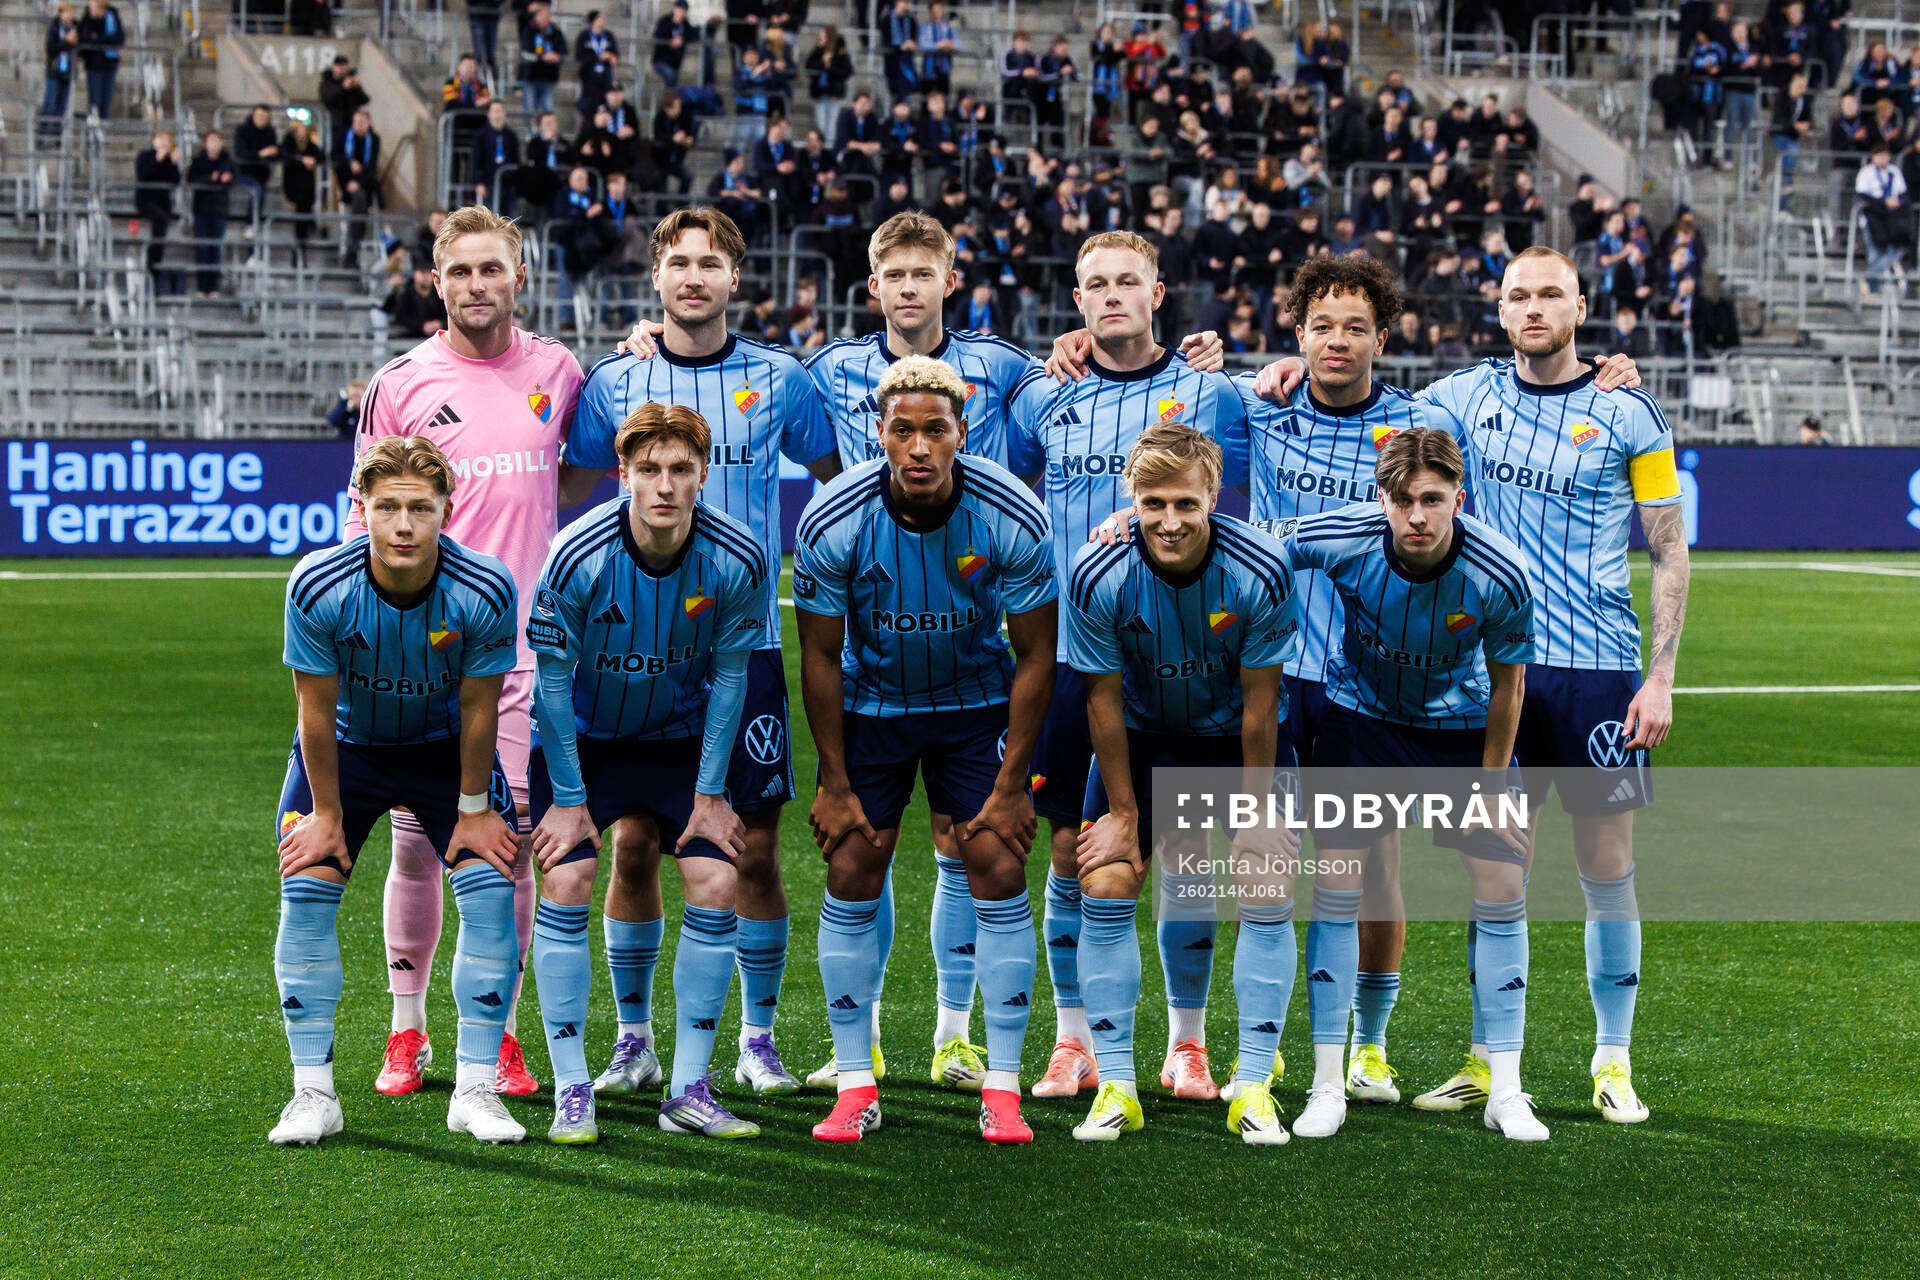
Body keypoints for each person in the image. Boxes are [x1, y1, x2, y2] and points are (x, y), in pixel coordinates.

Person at [566, 207, 840, 1099]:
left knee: (750, 849)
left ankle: (757, 1039)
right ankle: (633, 1040)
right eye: (678, 262)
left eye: (711, 263)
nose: (694, 277)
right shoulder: (615, 379)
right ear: (656, 278)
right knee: (636, 844)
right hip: (634, 651)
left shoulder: (782, 378)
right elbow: (568, 483)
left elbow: (840, 475)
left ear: (735, 278)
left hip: (745, 646)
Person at [352, 206, 596, 1102]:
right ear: (437, 281)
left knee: (512, 845)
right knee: (418, 850)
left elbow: (578, 466)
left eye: (492, 270)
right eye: (460, 272)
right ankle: (407, 1029)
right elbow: (366, 518)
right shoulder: (403, 381)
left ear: (518, 279)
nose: (476, 286)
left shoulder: (557, 371)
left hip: (527, 658)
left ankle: (493, 1033)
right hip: (427, 664)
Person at [1005, 231, 1248, 1101]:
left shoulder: (1208, 392)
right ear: (1077, 302)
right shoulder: (1044, 395)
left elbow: (1287, 415)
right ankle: (1075, 1042)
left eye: (1128, 283)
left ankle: (1187, 1045)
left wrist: (1269, 361)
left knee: (1182, 855)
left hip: (1183, 662)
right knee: (1070, 853)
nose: (1112, 296)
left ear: (1159, 293)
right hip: (1076, 661)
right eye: (1095, 284)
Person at [793, 354, 1057, 1144]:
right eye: (901, 430)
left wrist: (1012, 785)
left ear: (961, 434)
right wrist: (833, 781)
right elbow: (816, 657)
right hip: (874, 707)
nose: (917, 447)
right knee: (849, 862)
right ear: (878, 434)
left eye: (934, 430)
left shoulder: (1012, 512)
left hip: (974, 708)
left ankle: (1002, 1088)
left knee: (999, 862)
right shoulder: (832, 518)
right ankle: (853, 1083)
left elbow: (1037, 655)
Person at [1279, 426, 1543, 1140]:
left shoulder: (1502, 573)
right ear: (1381, 498)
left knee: (1501, 881)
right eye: (1402, 500)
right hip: (1361, 723)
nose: (1417, 515)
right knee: (1339, 885)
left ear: (1460, 497)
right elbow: (1257, 540)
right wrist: (1130, 525)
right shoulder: (1346, 537)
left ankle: (1507, 1090)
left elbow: (1510, 684)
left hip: (1458, 731)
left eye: (1432, 499)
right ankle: (1329, 1081)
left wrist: (1491, 788)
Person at [268, 435, 524, 1146]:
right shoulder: (319, 584)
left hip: (445, 753)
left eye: (420, 507)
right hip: (348, 752)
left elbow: (481, 710)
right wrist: (325, 815)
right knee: (308, 885)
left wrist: (473, 812)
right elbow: (313, 713)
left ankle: (476, 1089)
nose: (404, 525)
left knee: (492, 885)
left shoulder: (485, 587)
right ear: (362, 509)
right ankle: (313, 1094)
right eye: (387, 508)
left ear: (448, 508)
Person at [526, 404, 769, 1144]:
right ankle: (575, 1086)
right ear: (623, 475)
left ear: (703, 475)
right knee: (567, 876)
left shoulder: (740, 557)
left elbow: (731, 679)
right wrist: (569, 802)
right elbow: (552, 687)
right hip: (586, 742)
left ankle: (690, 1087)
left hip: (678, 741)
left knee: (718, 878)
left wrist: (708, 794)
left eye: (681, 470)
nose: (664, 485)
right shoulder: (576, 555)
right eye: (649, 470)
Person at [1064, 424, 1300, 1143]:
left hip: (1236, 742)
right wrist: (1127, 814)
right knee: (1105, 879)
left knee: (1265, 880)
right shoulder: (1097, 572)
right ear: (1131, 499)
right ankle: (1115, 1085)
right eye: (1153, 503)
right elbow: (1101, 701)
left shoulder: (1260, 569)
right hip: (1141, 738)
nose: (1169, 522)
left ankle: (1252, 1084)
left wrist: (1258, 815)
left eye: (1186, 505)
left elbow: (1262, 705)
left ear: (1214, 499)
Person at [186, 130, 234, 298]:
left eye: (217, 140)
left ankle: (213, 287)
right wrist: (211, 179)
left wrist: (228, 179)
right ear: (205, 143)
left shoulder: (227, 161)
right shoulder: (198, 161)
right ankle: (202, 286)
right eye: (211, 140)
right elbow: (191, 181)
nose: (214, 144)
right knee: (202, 248)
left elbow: (234, 178)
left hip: (219, 210)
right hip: (201, 210)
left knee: (216, 248)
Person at [134, 129, 181, 294]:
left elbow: (175, 181)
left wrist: (174, 164)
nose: (163, 143)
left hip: (163, 203)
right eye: (160, 138)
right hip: (146, 201)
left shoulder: (170, 160)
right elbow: (143, 176)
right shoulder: (144, 156)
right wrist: (157, 161)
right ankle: (150, 262)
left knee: (161, 228)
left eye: (167, 139)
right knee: (160, 222)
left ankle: (154, 266)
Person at [333, 108, 382, 263]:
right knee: (359, 199)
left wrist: (359, 182)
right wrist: (349, 164)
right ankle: (353, 245)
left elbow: (372, 167)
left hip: (364, 182)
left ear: (368, 123)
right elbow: (334, 157)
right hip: (345, 181)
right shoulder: (343, 136)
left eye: (362, 122)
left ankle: (353, 246)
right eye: (356, 122)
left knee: (361, 199)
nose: (359, 125)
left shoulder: (373, 140)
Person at [280, 118, 322, 265]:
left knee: (304, 210)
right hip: (293, 186)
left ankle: (300, 247)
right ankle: (299, 247)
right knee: (301, 212)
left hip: (307, 189)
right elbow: (285, 155)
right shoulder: (288, 143)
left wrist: (313, 160)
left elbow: (320, 155)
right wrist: (302, 160)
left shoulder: (310, 145)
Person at [233, 105, 280, 230]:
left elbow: (273, 153)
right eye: (259, 116)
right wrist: (260, 153)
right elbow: (240, 152)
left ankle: (253, 224)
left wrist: (273, 153)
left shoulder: (270, 132)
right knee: (256, 191)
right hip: (244, 171)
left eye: (265, 117)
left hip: (262, 173)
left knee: (260, 192)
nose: (262, 119)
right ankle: (250, 224)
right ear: (253, 115)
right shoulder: (242, 130)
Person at [520, 3, 567, 119]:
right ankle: (531, 134)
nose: (546, 19)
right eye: (543, 16)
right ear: (536, 17)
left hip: (549, 78)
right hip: (531, 77)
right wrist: (542, 57)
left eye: (548, 16)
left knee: (548, 110)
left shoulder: (556, 32)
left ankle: (546, 135)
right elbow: (526, 53)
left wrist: (557, 56)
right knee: (530, 110)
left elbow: (563, 51)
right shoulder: (529, 31)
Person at [76, 0, 122, 119]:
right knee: (95, 101)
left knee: (106, 101)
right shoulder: (88, 17)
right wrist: (104, 39)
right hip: (94, 65)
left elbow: (119, 38)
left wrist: (98, 38)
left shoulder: (113, 14)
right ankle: (93, 131)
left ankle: (102, 128)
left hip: (110, 64)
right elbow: (84, 37)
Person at [42, 3, 79, 133]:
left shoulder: (76, 28)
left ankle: (57, 137)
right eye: (68, 12)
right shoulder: (55, 27)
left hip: (68, 71)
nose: (71, 15)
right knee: (50, 104)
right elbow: (51, 48)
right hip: (54, 71)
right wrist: (66, 42)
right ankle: (43, 133)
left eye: (72, 12)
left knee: (62, 107)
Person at [575, 10, 619, 115]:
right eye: (600, 18)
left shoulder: (608, 36)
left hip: (605, 74)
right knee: (589, 103)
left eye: (604, 19)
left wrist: (612, 56)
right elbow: (579, 55)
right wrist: (598, 58)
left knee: (604, 103)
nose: (602, 21)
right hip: (589, 74)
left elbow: (615, 52)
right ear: (593, 20)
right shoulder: (584, 36)